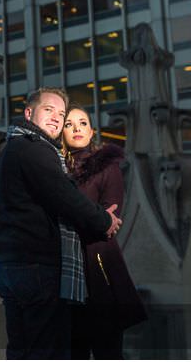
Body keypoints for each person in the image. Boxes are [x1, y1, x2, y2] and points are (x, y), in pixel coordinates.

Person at [0, 88, 122, 359]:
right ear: (29, 113)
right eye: (49, 110)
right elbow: (65, 196)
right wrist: (103, 219)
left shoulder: (7, 153)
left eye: (61, 113)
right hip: (36, 267)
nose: (57, 119)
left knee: (21, 349)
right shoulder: (34, 148)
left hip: (8, 266)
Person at [62, 104, 147, 359]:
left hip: (99, 269)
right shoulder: (54, 169)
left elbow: (110, 223)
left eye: (83, 123)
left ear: (92, 132)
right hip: (63, 271)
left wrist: (93, 220)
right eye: (69, 124)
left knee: (106, 349)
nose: (77, 128)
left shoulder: (106, 168)